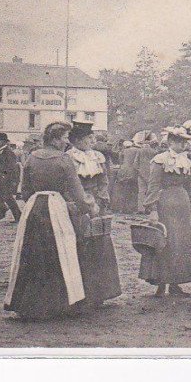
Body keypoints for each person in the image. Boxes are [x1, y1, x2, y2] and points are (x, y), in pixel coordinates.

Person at [4, 122, 98, 320]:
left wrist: (34, 199)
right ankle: (58, 303)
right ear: (55, 139)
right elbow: (78, 194)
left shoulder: (31, 157)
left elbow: (25, 190)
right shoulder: (64, 160)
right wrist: (88, 208)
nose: (66, 142)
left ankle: (28, 303)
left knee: (32, 252)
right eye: (64, 138)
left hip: (34, 207)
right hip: (55, 206)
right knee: (62, 252)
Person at [66, 122, 122, 308]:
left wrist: (101, 200)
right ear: (75, 141)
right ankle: (81, 293)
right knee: (80, 244)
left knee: (99, 243)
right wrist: (80, 202)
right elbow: (68, 184)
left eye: (91, 138)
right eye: (86, 138)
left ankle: (100, 292)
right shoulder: (69, 158)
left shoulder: (97, 157)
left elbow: (103, 180)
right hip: (77, 204)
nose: (90, 141)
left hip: (96, 203)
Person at [142, 127, 191, 296]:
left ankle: (175, 284)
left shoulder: (186, 161)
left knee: (181, 244)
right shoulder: (160, 160)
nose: (182, 146)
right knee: (165, 242)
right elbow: (153, 185)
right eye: (179, 142)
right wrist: (152, 209)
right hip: (166, 204)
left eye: (184, 143)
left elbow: (189, 188)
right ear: (170, 142)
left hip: (182, 205)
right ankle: (161, 284)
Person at [113, 140, 140, 213]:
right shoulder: (137, 150)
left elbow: (120, 162)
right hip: (133, 172)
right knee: (133, 191)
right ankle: (132, 208)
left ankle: (122, 208)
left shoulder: (122, 151)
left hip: (123, 172)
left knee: (123, 191)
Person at [136, 136, 159, 213]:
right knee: (151, 191)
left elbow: (135, 164)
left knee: (141, 192)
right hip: (151, 174)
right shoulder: (154, 152)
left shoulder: (139, 151)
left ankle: (141, 209)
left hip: (141, 174)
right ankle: (149, 209)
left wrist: (139, 171)